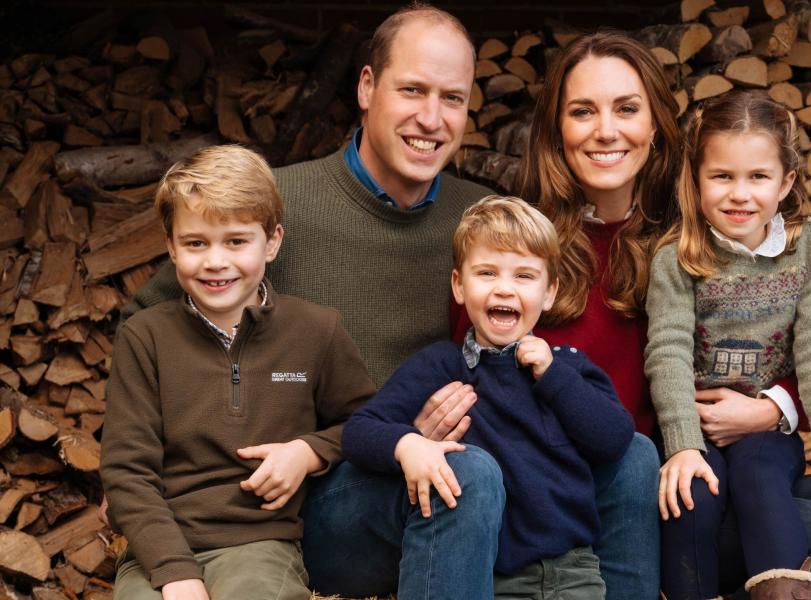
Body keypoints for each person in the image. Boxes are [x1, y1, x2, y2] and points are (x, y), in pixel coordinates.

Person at [115, 5, 659, 599]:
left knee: (631, 453)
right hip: (329, 494)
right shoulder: (282, 206)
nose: (431, 118)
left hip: (453, 485)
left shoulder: (476, 219)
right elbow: (158, 321)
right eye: (412, 90)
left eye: (452, 98)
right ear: (367, 87)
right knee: (467, 471)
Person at [514, 31, 811, 600]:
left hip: (743, 447)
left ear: (655, 124)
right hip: (635, 483)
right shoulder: (526, 247)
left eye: (626, 109)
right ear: (557, 127)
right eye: (583, 111)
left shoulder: (696, 227)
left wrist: (768, 410)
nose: (606, 130)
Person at [645, 90, 811, 599]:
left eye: (757, 177)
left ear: (785, 182)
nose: (739, 193)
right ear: (695, 180)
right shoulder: (678, 258)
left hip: (766, 435)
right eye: (722, 176)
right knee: (692, 495)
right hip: (695, 428)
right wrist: (681, 445)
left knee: (760, 475)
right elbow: (668, 349)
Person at [100, 145, 375, 599]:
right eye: (195, 243)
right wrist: (175, 572)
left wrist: (307, 452)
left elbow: (365, 423)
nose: (215, 261)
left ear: (272, 242)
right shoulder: (145, 338)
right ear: (170, 246)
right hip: (159, 546)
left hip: (259, 544)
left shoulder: (317, 331)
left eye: (235, 241)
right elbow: (127, 472)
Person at [344, 196, 635, 598]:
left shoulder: (568, 368)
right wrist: (408, 444)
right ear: (459, 286)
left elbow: (615, 439)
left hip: (572, 569)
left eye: (524, 276)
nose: (504, 288)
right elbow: (359, 430)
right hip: (492, 572)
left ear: (549, 293)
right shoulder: (442, 366)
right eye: (486, 273)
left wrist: (553, 377)